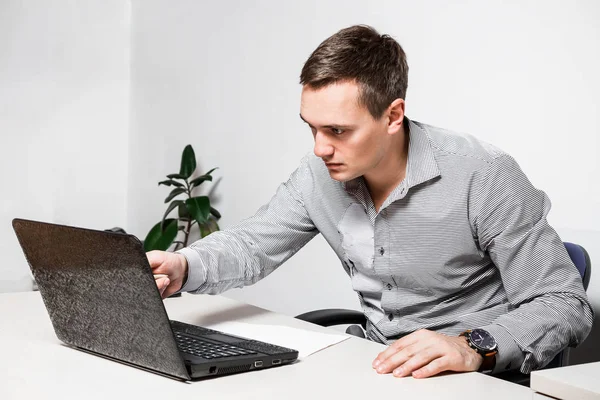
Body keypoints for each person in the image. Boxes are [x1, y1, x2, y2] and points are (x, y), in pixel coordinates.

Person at [147, 25, 593, 379]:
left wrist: (472, 346)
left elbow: (562, 302)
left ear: (393, 115)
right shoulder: (317, 173)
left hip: (473, 374)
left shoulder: (483, 174)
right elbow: (253, 244)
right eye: (312, 128)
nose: (320, 148)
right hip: (377, 366)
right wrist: (184, 265)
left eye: (338, 131)